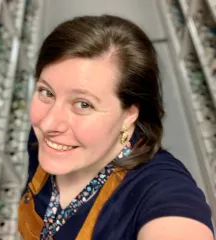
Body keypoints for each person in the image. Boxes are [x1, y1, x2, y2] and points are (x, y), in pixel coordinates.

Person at [17, 15, 214, 240]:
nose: (48, 123)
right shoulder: (45, 141)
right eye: (46, 92)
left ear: (129, 113)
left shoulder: (159, 190)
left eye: (83, 104)